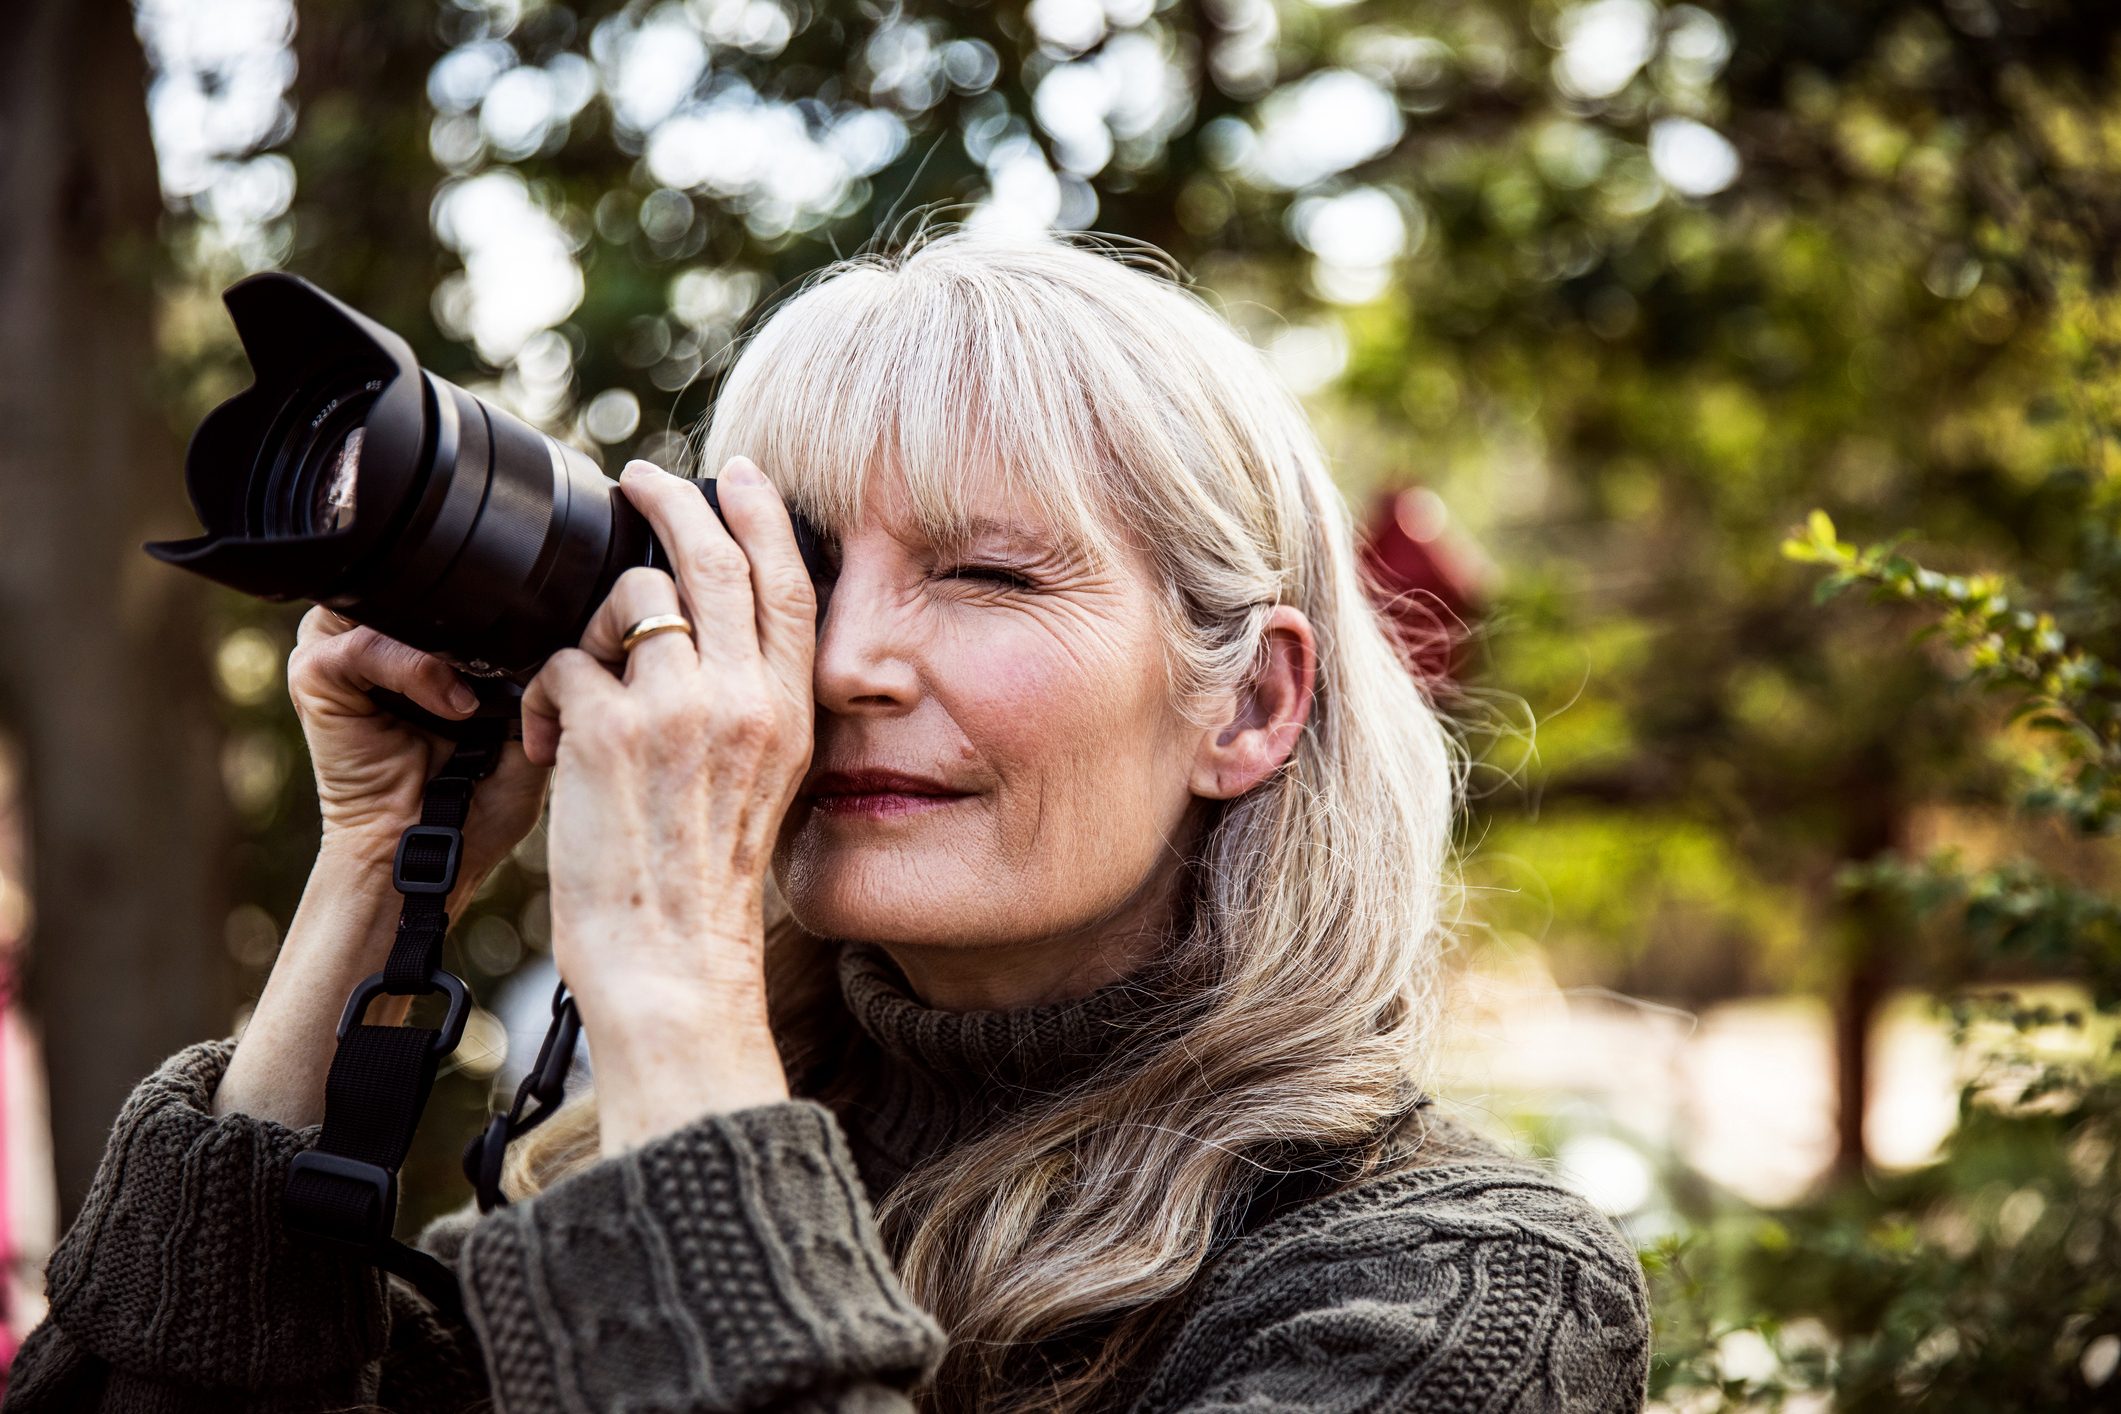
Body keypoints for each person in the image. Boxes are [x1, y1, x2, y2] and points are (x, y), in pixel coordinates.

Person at [4, 229, 1650, 1413]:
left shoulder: (1445, 1291)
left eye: (986, 570)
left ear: (1249, 705)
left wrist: (672, 974)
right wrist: (374, 868)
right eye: (797, 566)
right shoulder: (593, 1194)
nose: (845, 661)